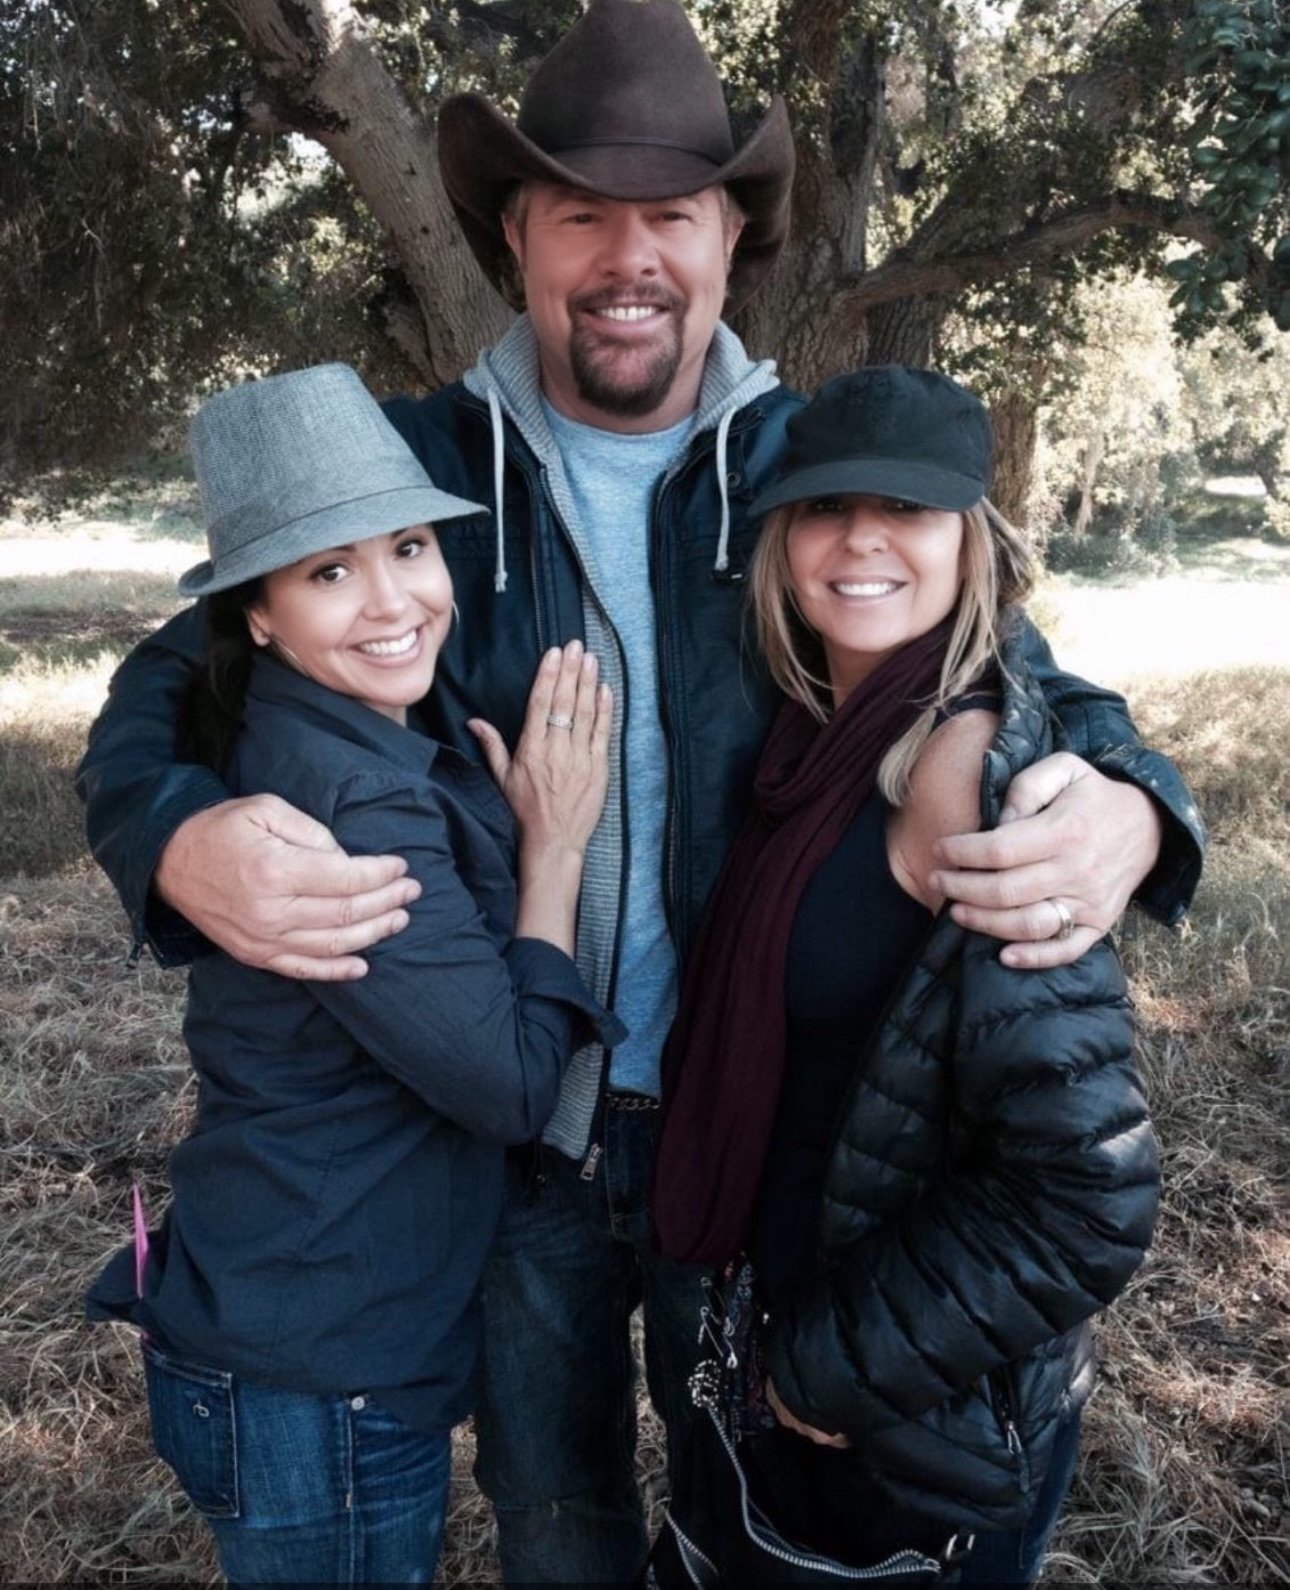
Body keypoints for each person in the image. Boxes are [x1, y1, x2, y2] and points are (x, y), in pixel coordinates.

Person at [77, 2, 1202, 1581]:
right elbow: (165, 678)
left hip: (745, 1115)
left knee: (744, 1501)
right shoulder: (412, 481)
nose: (627, 256)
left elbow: (1004, 658)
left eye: (668, 213)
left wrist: (1136, 802)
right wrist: (174, 833)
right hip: (512, 1129)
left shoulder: (811, 471)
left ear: (728, 240)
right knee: (560, 1519)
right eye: (579, 214)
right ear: (512, 239)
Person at [86, 363, 621, 1585]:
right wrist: (556, 852)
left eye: (412, 548)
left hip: (300, 1326)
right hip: (319, 1373)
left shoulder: (346, 725)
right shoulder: (351, 803)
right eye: (330, 571)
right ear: (256, 614)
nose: (393, 601)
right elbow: (511, 1087)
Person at [651, 366, 1162, 1586]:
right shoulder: (812, 731)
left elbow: (1090, 1190)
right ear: (781, 544)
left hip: (907, 1404)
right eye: (828, 508)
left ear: (971, 543)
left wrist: (833, 1365)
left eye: (911, 510)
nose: (864, 539)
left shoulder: (968, 768)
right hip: (798, 1350)